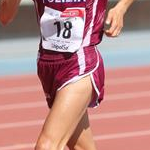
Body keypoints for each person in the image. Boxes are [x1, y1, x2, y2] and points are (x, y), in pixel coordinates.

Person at [0, 0, 136, 150]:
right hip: (48, 64)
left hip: (81, 62)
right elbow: (5, 16)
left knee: (46, 146)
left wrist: (121, 8)